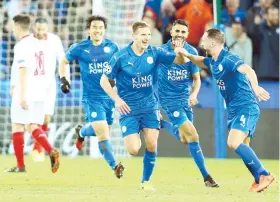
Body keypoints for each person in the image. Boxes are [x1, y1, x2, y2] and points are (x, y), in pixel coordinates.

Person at [178, 28, 275, 192]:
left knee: (233, 142)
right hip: (234, 110)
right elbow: (198, 60)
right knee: (243, 146)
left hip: (246, 106)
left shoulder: (229, 59)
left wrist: (256, 87)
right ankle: (258, 179)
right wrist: (185, 53)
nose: (201, 40)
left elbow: (248, 70)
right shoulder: (213, 61)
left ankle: (264, 175)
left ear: (213, 42)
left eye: (204, 38)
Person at [100, 21, 187, 191]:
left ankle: (145, 181)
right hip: (129, 110)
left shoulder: (154, 52)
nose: (147, 38)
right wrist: (116, 99)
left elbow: (179, 61)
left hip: (150, 107)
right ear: (134, 36)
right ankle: (161, 124)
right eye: (143, 35)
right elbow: (104, 80)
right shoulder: (121, 57)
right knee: (133, 149)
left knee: (151, 144)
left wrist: (180, 51)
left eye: (148, 34)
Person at [59, 15, 124, 179]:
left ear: (104, 29)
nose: (98, 30)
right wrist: (64, 79)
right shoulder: (80, 48)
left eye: (101, 27)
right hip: (91, 98)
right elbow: (63, 62)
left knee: (103, 131)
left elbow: (120, 66)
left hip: (109, 97)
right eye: (94, 27)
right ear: (89, 29)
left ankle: (82, 131)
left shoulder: (112, 47)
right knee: (103, 134)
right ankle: (115, 166)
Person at [157, 19, 218, 187]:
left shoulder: (191, 51)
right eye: (177, 31)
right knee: (193, 135)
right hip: (169, 101)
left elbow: (196, 79)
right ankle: (207, 177)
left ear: (188, 34)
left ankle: (163, 124)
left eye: (183, 32)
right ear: (171, 32)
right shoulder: (161, 51)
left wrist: (194, 94)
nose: (180, 34)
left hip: (185, 100)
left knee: (186, 139)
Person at [6, 14, 60, 173]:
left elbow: (23, 70)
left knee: (17, 125)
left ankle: (21, 165)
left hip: (26, 90)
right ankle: (50, 151)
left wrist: (21, 94)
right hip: (40, 92)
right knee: (33, 126)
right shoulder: (40, 43)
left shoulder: (21, 45)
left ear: (17, 27)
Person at [30, 17, 68, 162]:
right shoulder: (28, 41)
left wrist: (65, 78)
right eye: (38, 29)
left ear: (47, 28)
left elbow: (62, 59)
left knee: (46, 117)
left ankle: (38, 148)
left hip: (49, 85)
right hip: (32, 84)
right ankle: (37, 150)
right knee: (33, 118)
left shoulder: (54, 40)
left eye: (43, 29)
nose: (40, 32)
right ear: (34, 27)